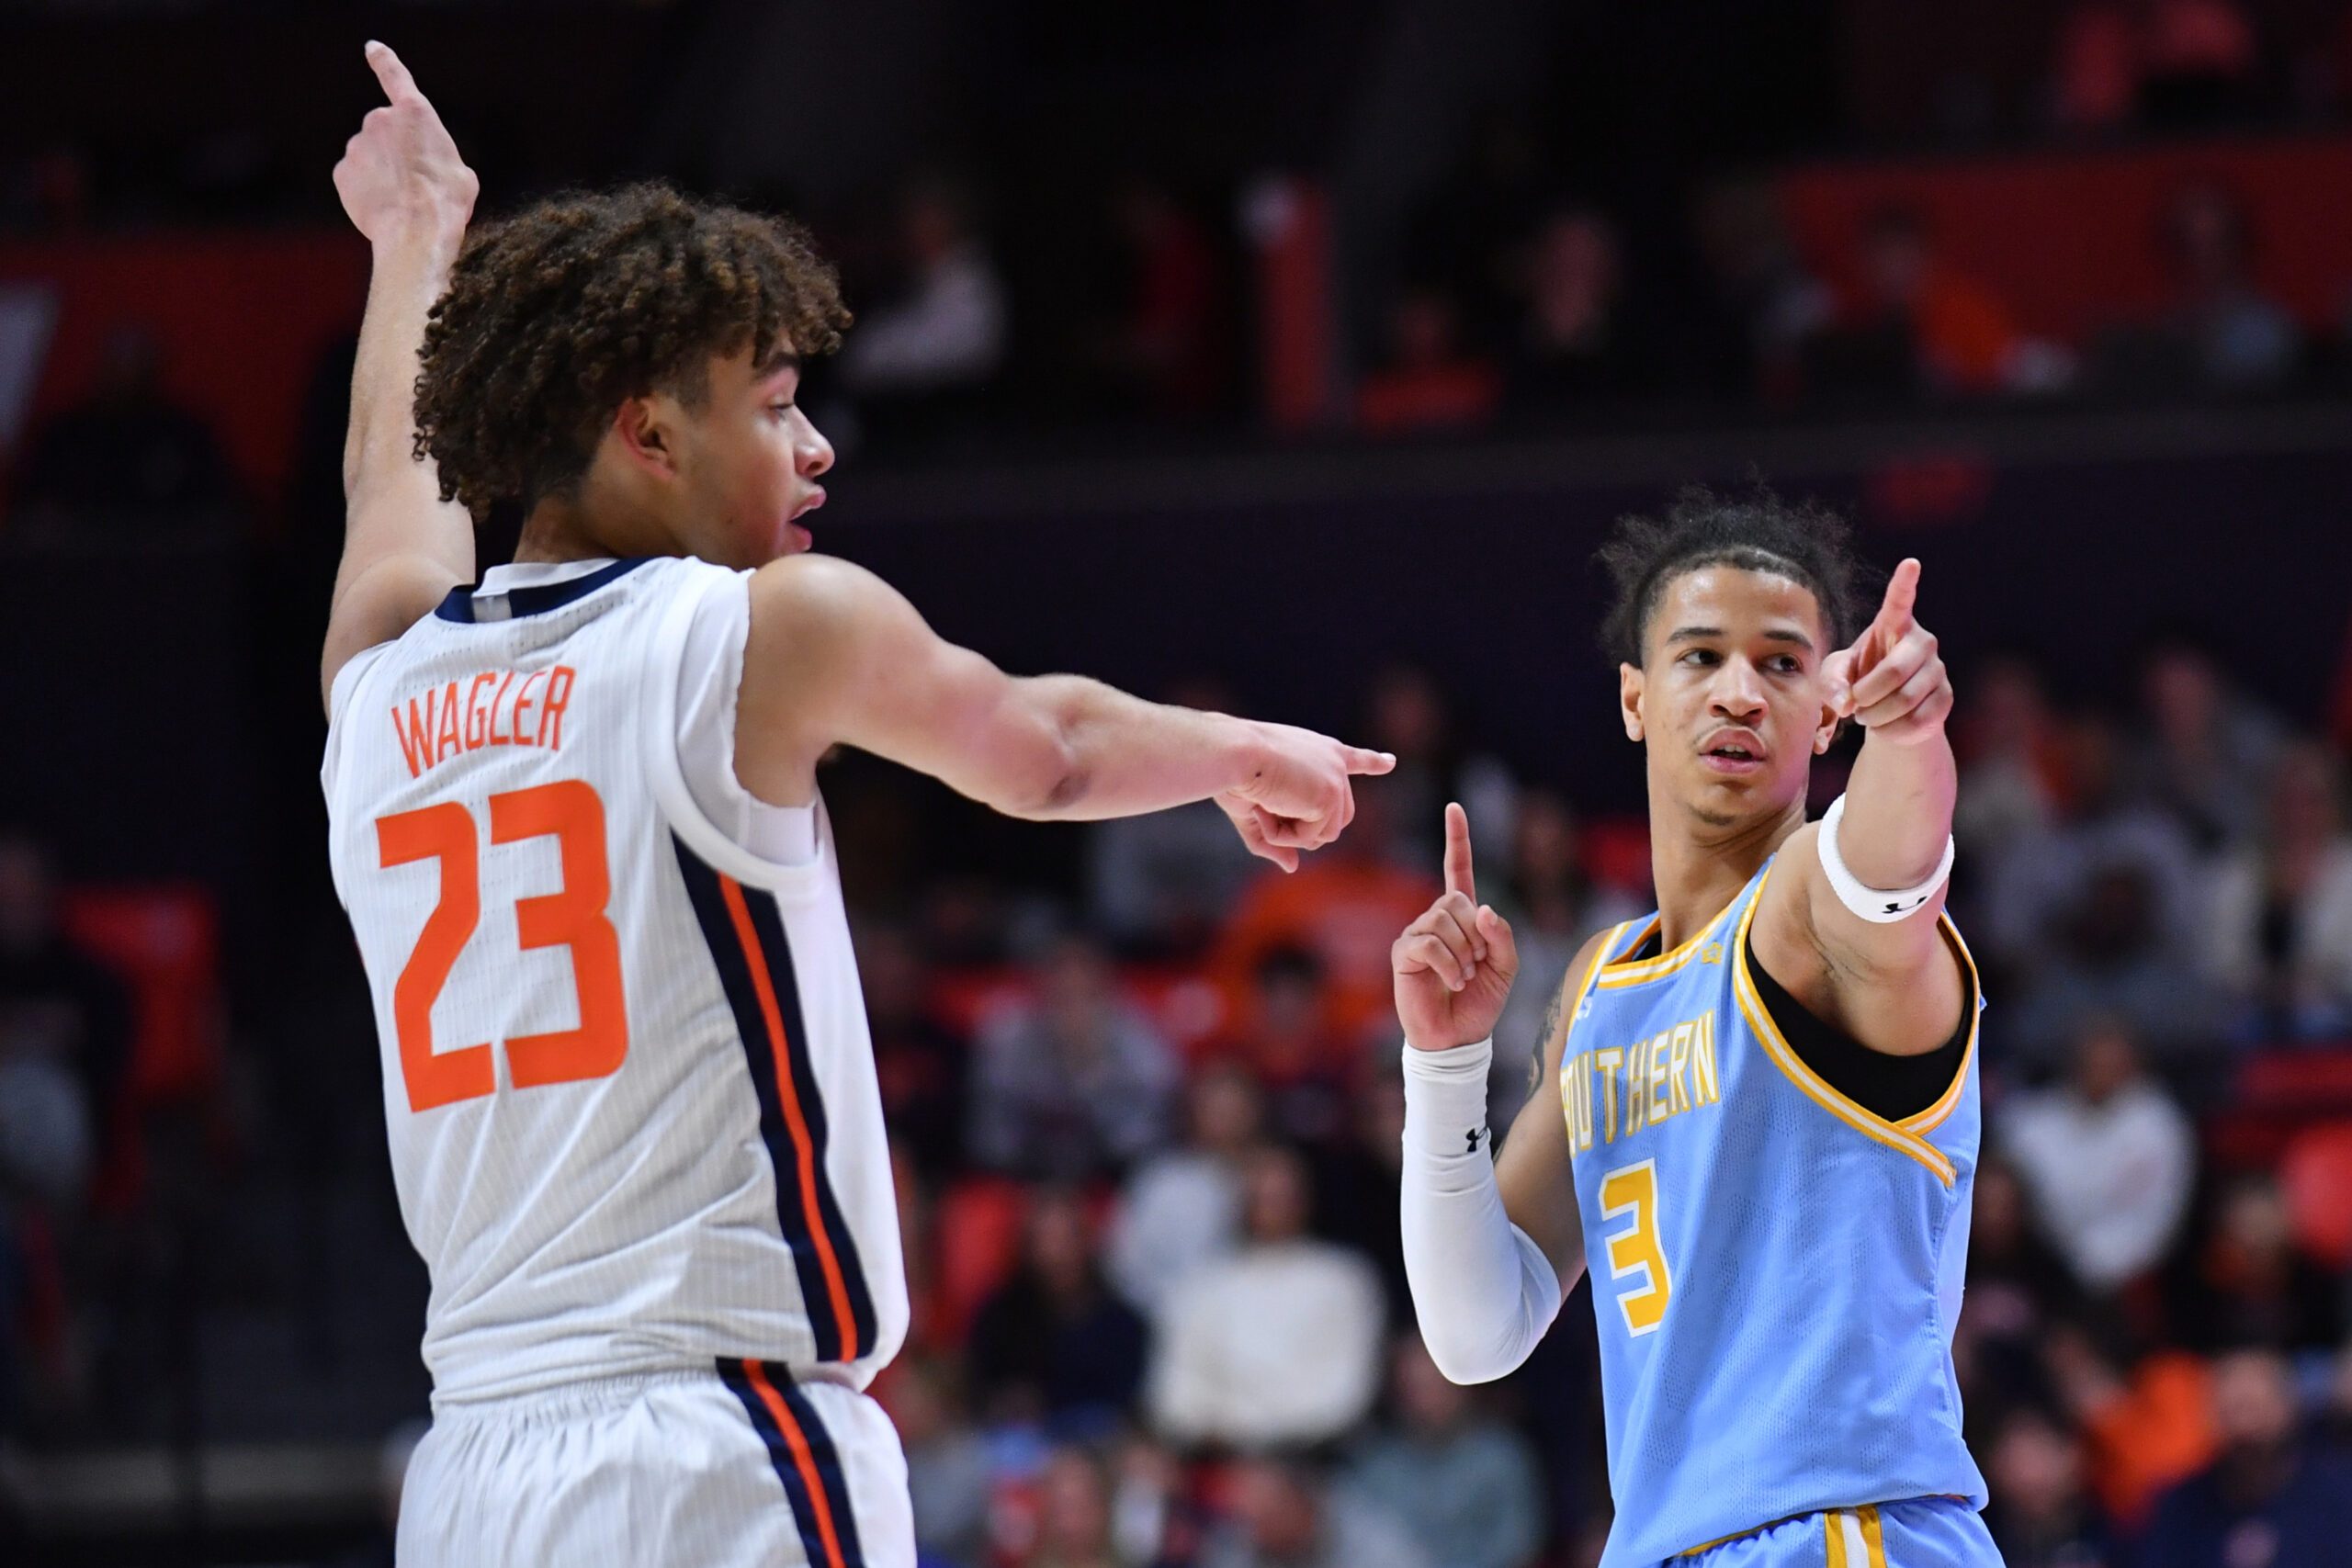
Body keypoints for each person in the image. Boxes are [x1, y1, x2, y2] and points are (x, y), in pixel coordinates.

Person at [317, 46, 1392, 1568]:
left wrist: (415, 239)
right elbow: (1046, 750)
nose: (815, 445)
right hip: (721, 1449)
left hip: (474, 1473)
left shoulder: (379, 690)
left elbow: (388, 488)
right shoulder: (750, 634)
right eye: (773, 404)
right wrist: (1237, 749)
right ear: (650, 430)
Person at [1393, 489, 2000, 1564]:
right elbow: (1478, 1332)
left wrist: (1911, 728)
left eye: (1779, 664)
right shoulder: (1599, 987)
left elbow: (1893, 866)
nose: (1740, 693)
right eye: (1700, 656)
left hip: (1840, 1531)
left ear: (1827, 707)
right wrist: (1442, 1064)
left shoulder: (1816, 898)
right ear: (1633, 696)